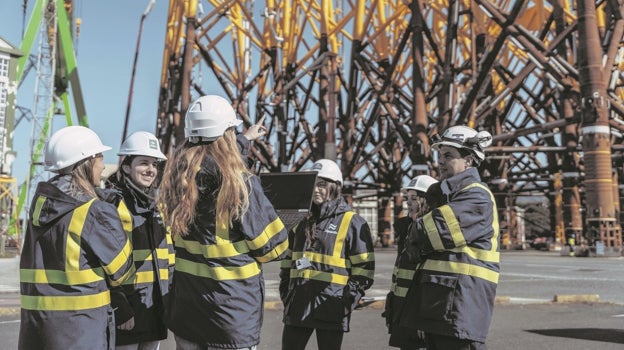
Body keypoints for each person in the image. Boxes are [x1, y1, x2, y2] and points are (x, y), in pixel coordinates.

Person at [158, 95, 288, 350]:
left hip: (187, 311)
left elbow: (206, 157)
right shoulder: (240, 184)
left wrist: (246, 139)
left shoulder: (175, 181)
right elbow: (275, 248)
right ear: (228, 134)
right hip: (230, 312)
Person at [19, 126, 135, 350]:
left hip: (37, 332)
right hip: (81, 332)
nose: (103, 165)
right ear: (87, 161)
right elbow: (123, 272)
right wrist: (119, 217)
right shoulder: (95, 212)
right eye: (100, 157)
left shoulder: (39, 205)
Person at [400, 125, 499, 350]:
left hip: (461, 305)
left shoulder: (477, 196)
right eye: (440, 155)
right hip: (439, 304)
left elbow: (430, 232)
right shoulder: (446, 196)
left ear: (469, 160)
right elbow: (414, 239)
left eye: (448, 155)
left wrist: (418, 226)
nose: (441, 161)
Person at [279, 159, 375, 350]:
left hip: (331, 306)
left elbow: (364, 268)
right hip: (298, 305)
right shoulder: (301, 222)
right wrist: (287, 292)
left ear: (335, 186)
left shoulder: (352, 222)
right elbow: (288, 262)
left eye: (322, 185)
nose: (316, 190)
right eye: (313, 184)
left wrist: (348, 299)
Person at [105, 131, 174, 350]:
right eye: (143, 163)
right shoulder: (112, 205)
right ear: (126, 166)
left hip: (154, 307)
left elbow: (168, 258)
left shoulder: (157, 207)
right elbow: (103, 262)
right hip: (127, 310)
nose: (151, 170)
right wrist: (120, 307)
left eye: (154, 164)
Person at [384, 175, 438, 350]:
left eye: (414, 198)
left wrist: (426, 318)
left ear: (428, 201)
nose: (409, 203)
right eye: (407, 198)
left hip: (421, 312)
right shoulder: (407, 229)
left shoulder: (434, 232)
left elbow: (433, 279)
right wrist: (392, 307)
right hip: (403, 309)